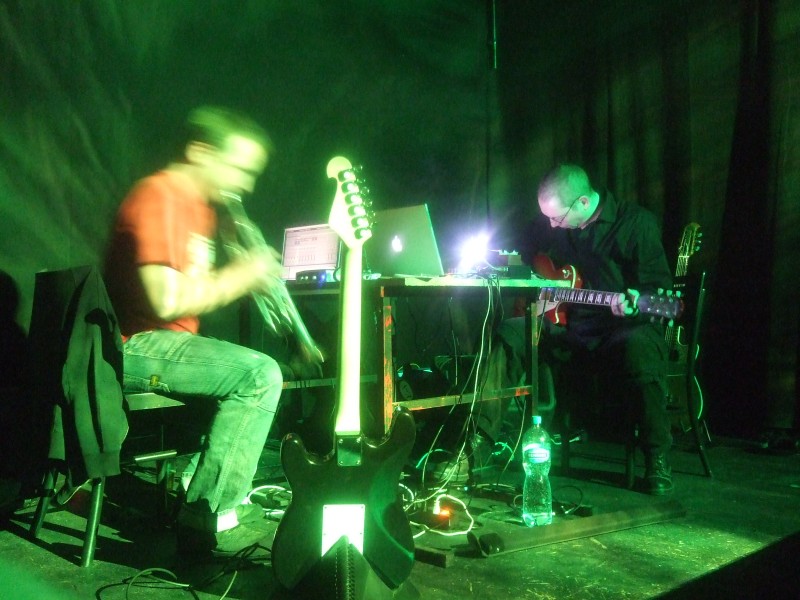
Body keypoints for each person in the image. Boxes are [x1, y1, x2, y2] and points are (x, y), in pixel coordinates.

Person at [104, 106, 305, 556]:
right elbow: (166, 301)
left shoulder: (200, 212)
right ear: (200, 151)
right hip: (133, 344)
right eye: (239, 168)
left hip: (167, 343)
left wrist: (245, 275)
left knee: (249, 374)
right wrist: (242, 274)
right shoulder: (159, 195)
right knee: (259, 375)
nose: (246, 184)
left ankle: (192, 487)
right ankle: (206, 516)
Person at [482, 163, 674, 495]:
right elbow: (525, 249)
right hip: (571, 330)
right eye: (548, 218)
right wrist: (523, 269)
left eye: (557, 218)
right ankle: (477, 443)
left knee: (641, 346)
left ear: (583, 202)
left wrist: (636, 301)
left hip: (621, 330)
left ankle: (657, 458)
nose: (551, 225)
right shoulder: (557, 223)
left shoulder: (636, 224)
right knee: (511, 333)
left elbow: (660, 292)